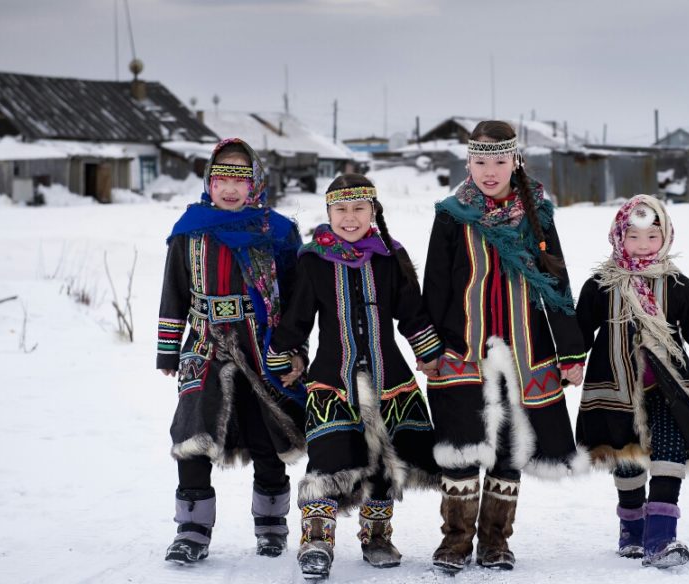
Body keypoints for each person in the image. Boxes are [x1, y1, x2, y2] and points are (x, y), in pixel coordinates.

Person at [422, 120, 587, 573]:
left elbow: (556, 283)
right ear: (468, 163)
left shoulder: (537, 215)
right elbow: (435, 285)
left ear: (515, 160)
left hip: (523, 354)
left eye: (499, 161)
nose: (489, 171)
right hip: (462, 353)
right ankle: (455, 541)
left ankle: (495, 541)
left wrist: (571, 352)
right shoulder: (452, 215)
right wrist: (430, 347)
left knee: (510, 449)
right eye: (480, 161)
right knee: (460, 448)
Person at [270, 174, 443, 578]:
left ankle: (377, 536)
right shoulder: (313, 260)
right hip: (333, 380)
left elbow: (412, 313)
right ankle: (316, 541)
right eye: (341, 210)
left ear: (373, 211)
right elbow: (297, 317)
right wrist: (285, 356)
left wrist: (429, 353)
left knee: (384, 459)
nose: (350, 218)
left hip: (390, 380)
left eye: (359, 209)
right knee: (328, 458)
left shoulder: (389, 257)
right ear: (328, 213)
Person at [156, 138, 306, 564]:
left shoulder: (276, 232)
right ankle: (192, 530)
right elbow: (174, 293)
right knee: (192, 435)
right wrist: (169, 351)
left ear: (255, 182)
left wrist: (295, 349)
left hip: (262, 346)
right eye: (221, 177)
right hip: (204, 343)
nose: (230, 188)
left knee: (267, 435)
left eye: (240, 178)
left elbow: (296, 298)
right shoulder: (190, 231)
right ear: (209, 181)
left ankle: (272, 524)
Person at [575, 194, 689, 568]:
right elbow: (579, 332)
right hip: (614, 389)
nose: (644, 246)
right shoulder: (600, 285)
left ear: (665, 236)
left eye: (653, 237)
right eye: (634, 237)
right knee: (627, 458)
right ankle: (632, 529)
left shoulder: (678, 285)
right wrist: (568, 364)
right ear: (619, 237)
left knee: (669, 454)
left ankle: (661, 538)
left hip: (667, 391)